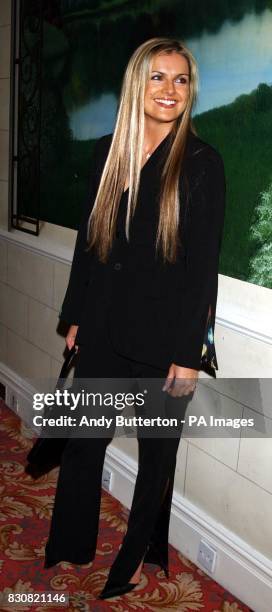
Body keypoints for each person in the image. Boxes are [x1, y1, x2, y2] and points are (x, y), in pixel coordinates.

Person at [44, 38, 226, 600]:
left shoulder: (200, 163)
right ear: (136, 84)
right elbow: (90, 244)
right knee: (83, 441)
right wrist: (75, 316)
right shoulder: (107, 153)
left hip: (164, 339)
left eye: (181, 80)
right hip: (101, 326)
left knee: (157, 456)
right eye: (158, 78)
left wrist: (188, 355)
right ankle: (71, 544)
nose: (170, 90)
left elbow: (202, 273)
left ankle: (136, 558)